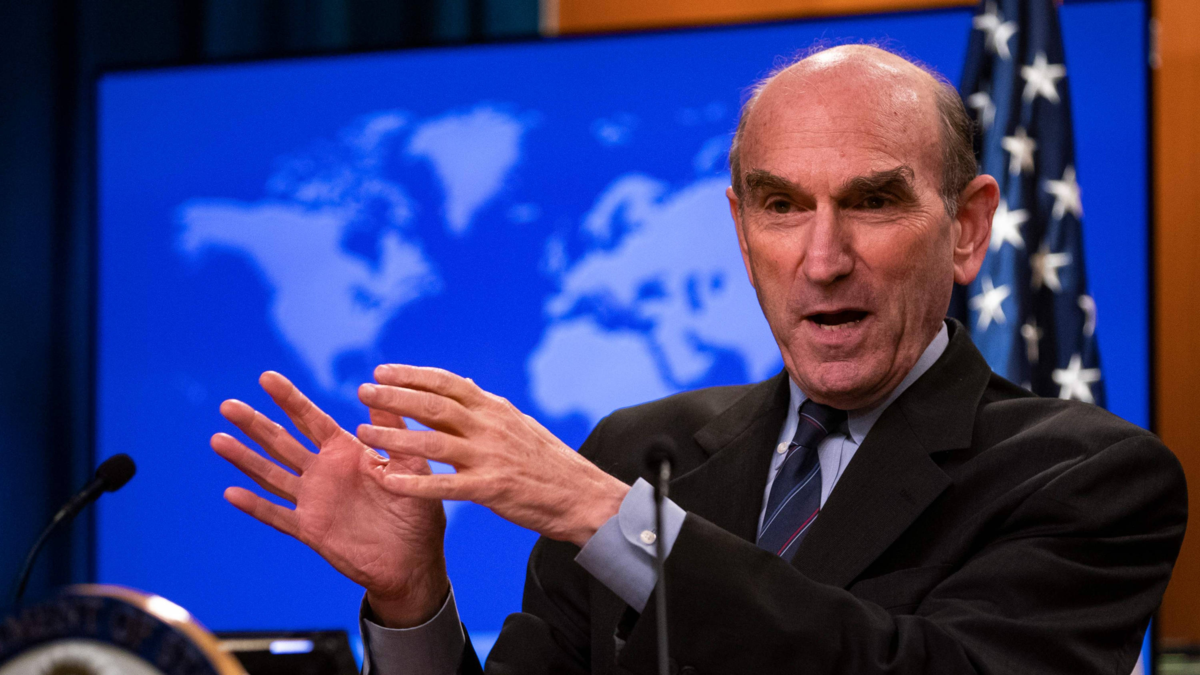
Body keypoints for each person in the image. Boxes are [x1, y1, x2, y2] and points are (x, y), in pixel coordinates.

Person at [211, 45, 1187, 674]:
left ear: (968, 229)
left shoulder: (1086, 476)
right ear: (741, 228)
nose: (822, 258)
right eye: (782, 205)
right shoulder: (638, 449)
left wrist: (613, 521)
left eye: (872, 202)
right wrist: (412, 600)